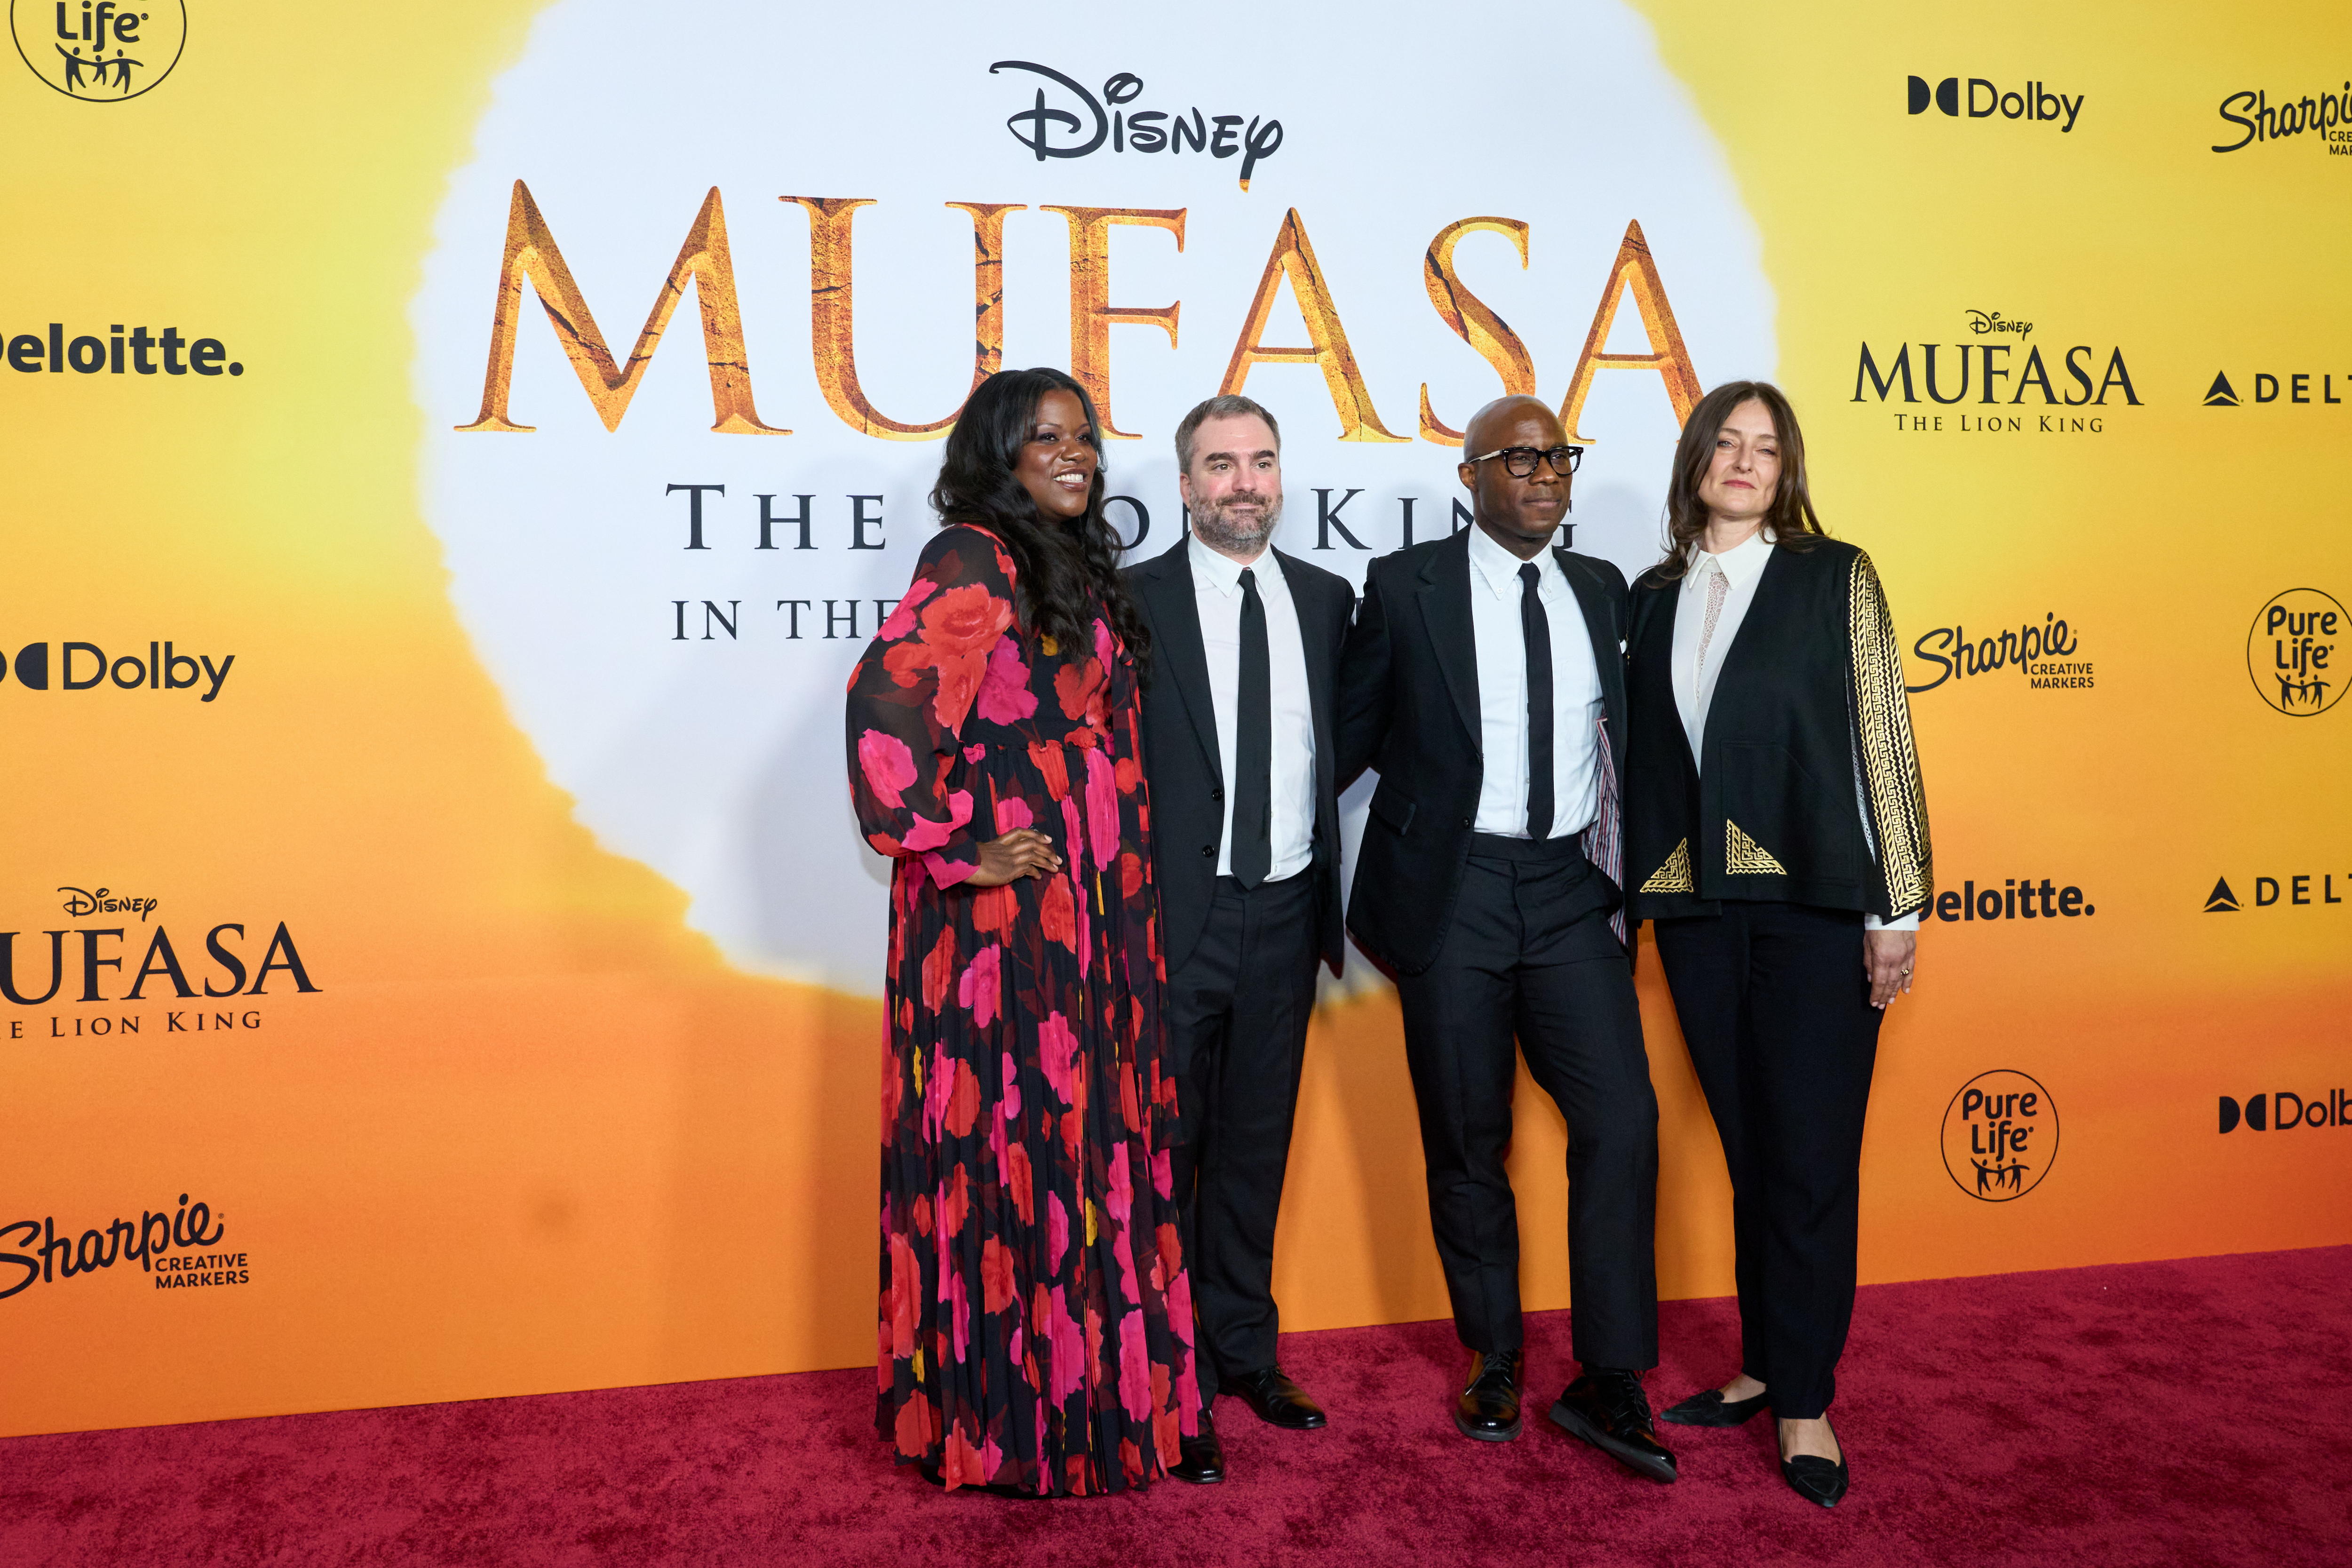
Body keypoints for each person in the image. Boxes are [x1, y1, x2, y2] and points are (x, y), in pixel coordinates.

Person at [844, 366, 1198, 1496]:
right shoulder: (973, 555)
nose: (1075, 453)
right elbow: (887, 696)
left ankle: (1090, 1397)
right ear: (996, 451)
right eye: (1045, 436)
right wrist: (953, 845)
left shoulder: (1062, 560)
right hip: (1005, 931)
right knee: (1020, 1147)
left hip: (1090, 915)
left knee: (1080, 1146)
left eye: (1084, 435)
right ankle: (1015, 1420)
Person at [1337, 394, 1677, 1483]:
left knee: (1620, 1118)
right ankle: (1494, 1351)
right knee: (1466, 1135)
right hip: (1455, 889)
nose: (1544, 474)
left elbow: (1636, 745)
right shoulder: (1403, 588)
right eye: (1520, 457)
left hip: (1570, 884)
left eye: (1558, 456)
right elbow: (1342, 742)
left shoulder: (1600, 590)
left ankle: (1610, 1371)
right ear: (1470, 475)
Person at [1624, 381, 1932, 1509]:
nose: (1745, 462)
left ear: (1785, 468)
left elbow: (1882, 732)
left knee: (1807, 1159)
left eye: (1766, 448)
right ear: (1697, 461)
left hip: (1814, 909)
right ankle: (1762, 1361)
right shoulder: (1654, 597)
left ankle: (1805, 1398)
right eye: (1727, 444)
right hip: (1699, 915)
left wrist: (1896, 907)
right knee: (1755, 1147)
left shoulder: (1831, 574)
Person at [1124, 395, 1355, 1484]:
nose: (1244, 483)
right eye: (1220, 465)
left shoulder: (1326, 598)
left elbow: (1339, 748)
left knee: (1255, 1149)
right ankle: (1164, 1379)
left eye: (1261, 462)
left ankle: (1244, 1355)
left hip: (1288, 909)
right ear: (1184, 485)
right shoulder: (1129, 605)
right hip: (1175, 919)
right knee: (1164, 1153)